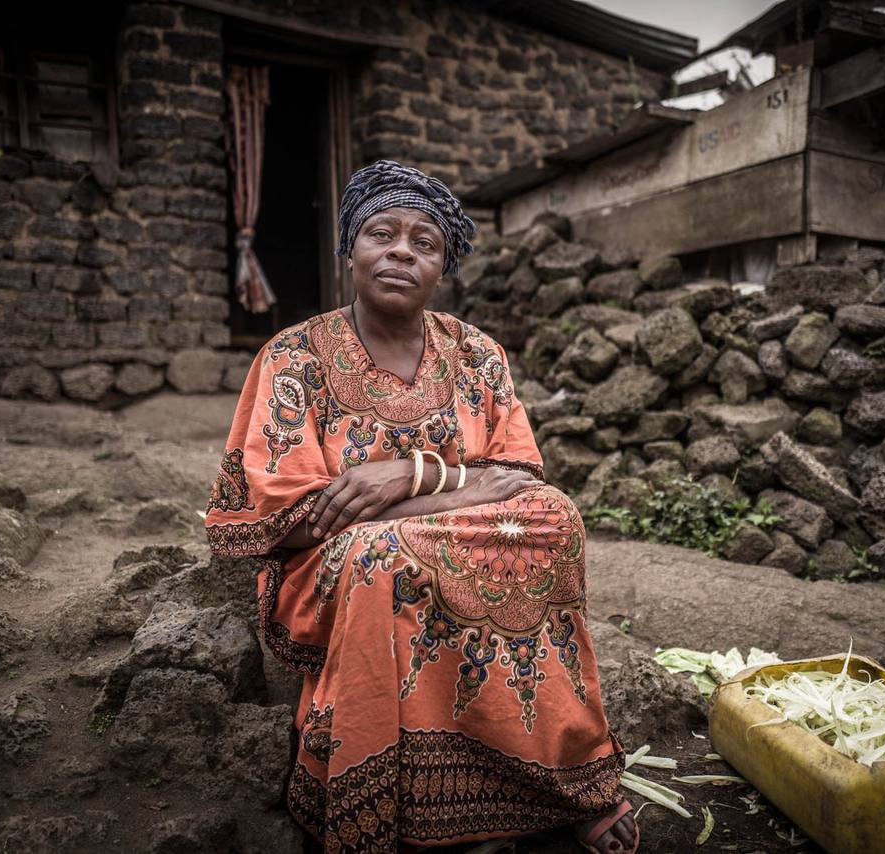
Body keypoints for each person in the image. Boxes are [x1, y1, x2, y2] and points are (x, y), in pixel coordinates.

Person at [204, 160, 638, 854]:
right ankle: (384, 796)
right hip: (334, 564)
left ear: (442, 267)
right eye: (383, 233)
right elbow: (297, 515)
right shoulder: (294, 358)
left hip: (439, 531)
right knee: (381, 554)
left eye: (425, 242)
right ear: (349, 249)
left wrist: (404, 475)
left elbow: (520, 475)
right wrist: (454, 492)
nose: (402, 250)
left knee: (556, 518)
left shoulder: (478, 354)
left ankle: (559, 776)